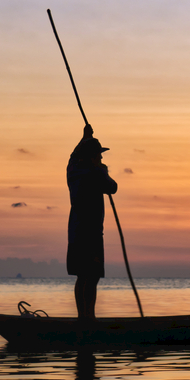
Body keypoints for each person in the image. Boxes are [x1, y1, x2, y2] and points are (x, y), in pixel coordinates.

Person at [67, 124, 118, 319]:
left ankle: (83, 317)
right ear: (92, 157)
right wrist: (103, 171)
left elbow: (73, 156)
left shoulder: (73, 170)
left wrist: (84, 136)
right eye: (99, 155)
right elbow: (112, 187)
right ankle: (89, 318)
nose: (102, 158)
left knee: (82, 275)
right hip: (91, 233)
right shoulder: (94, 174)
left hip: (75, 232)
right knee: (92, 275)